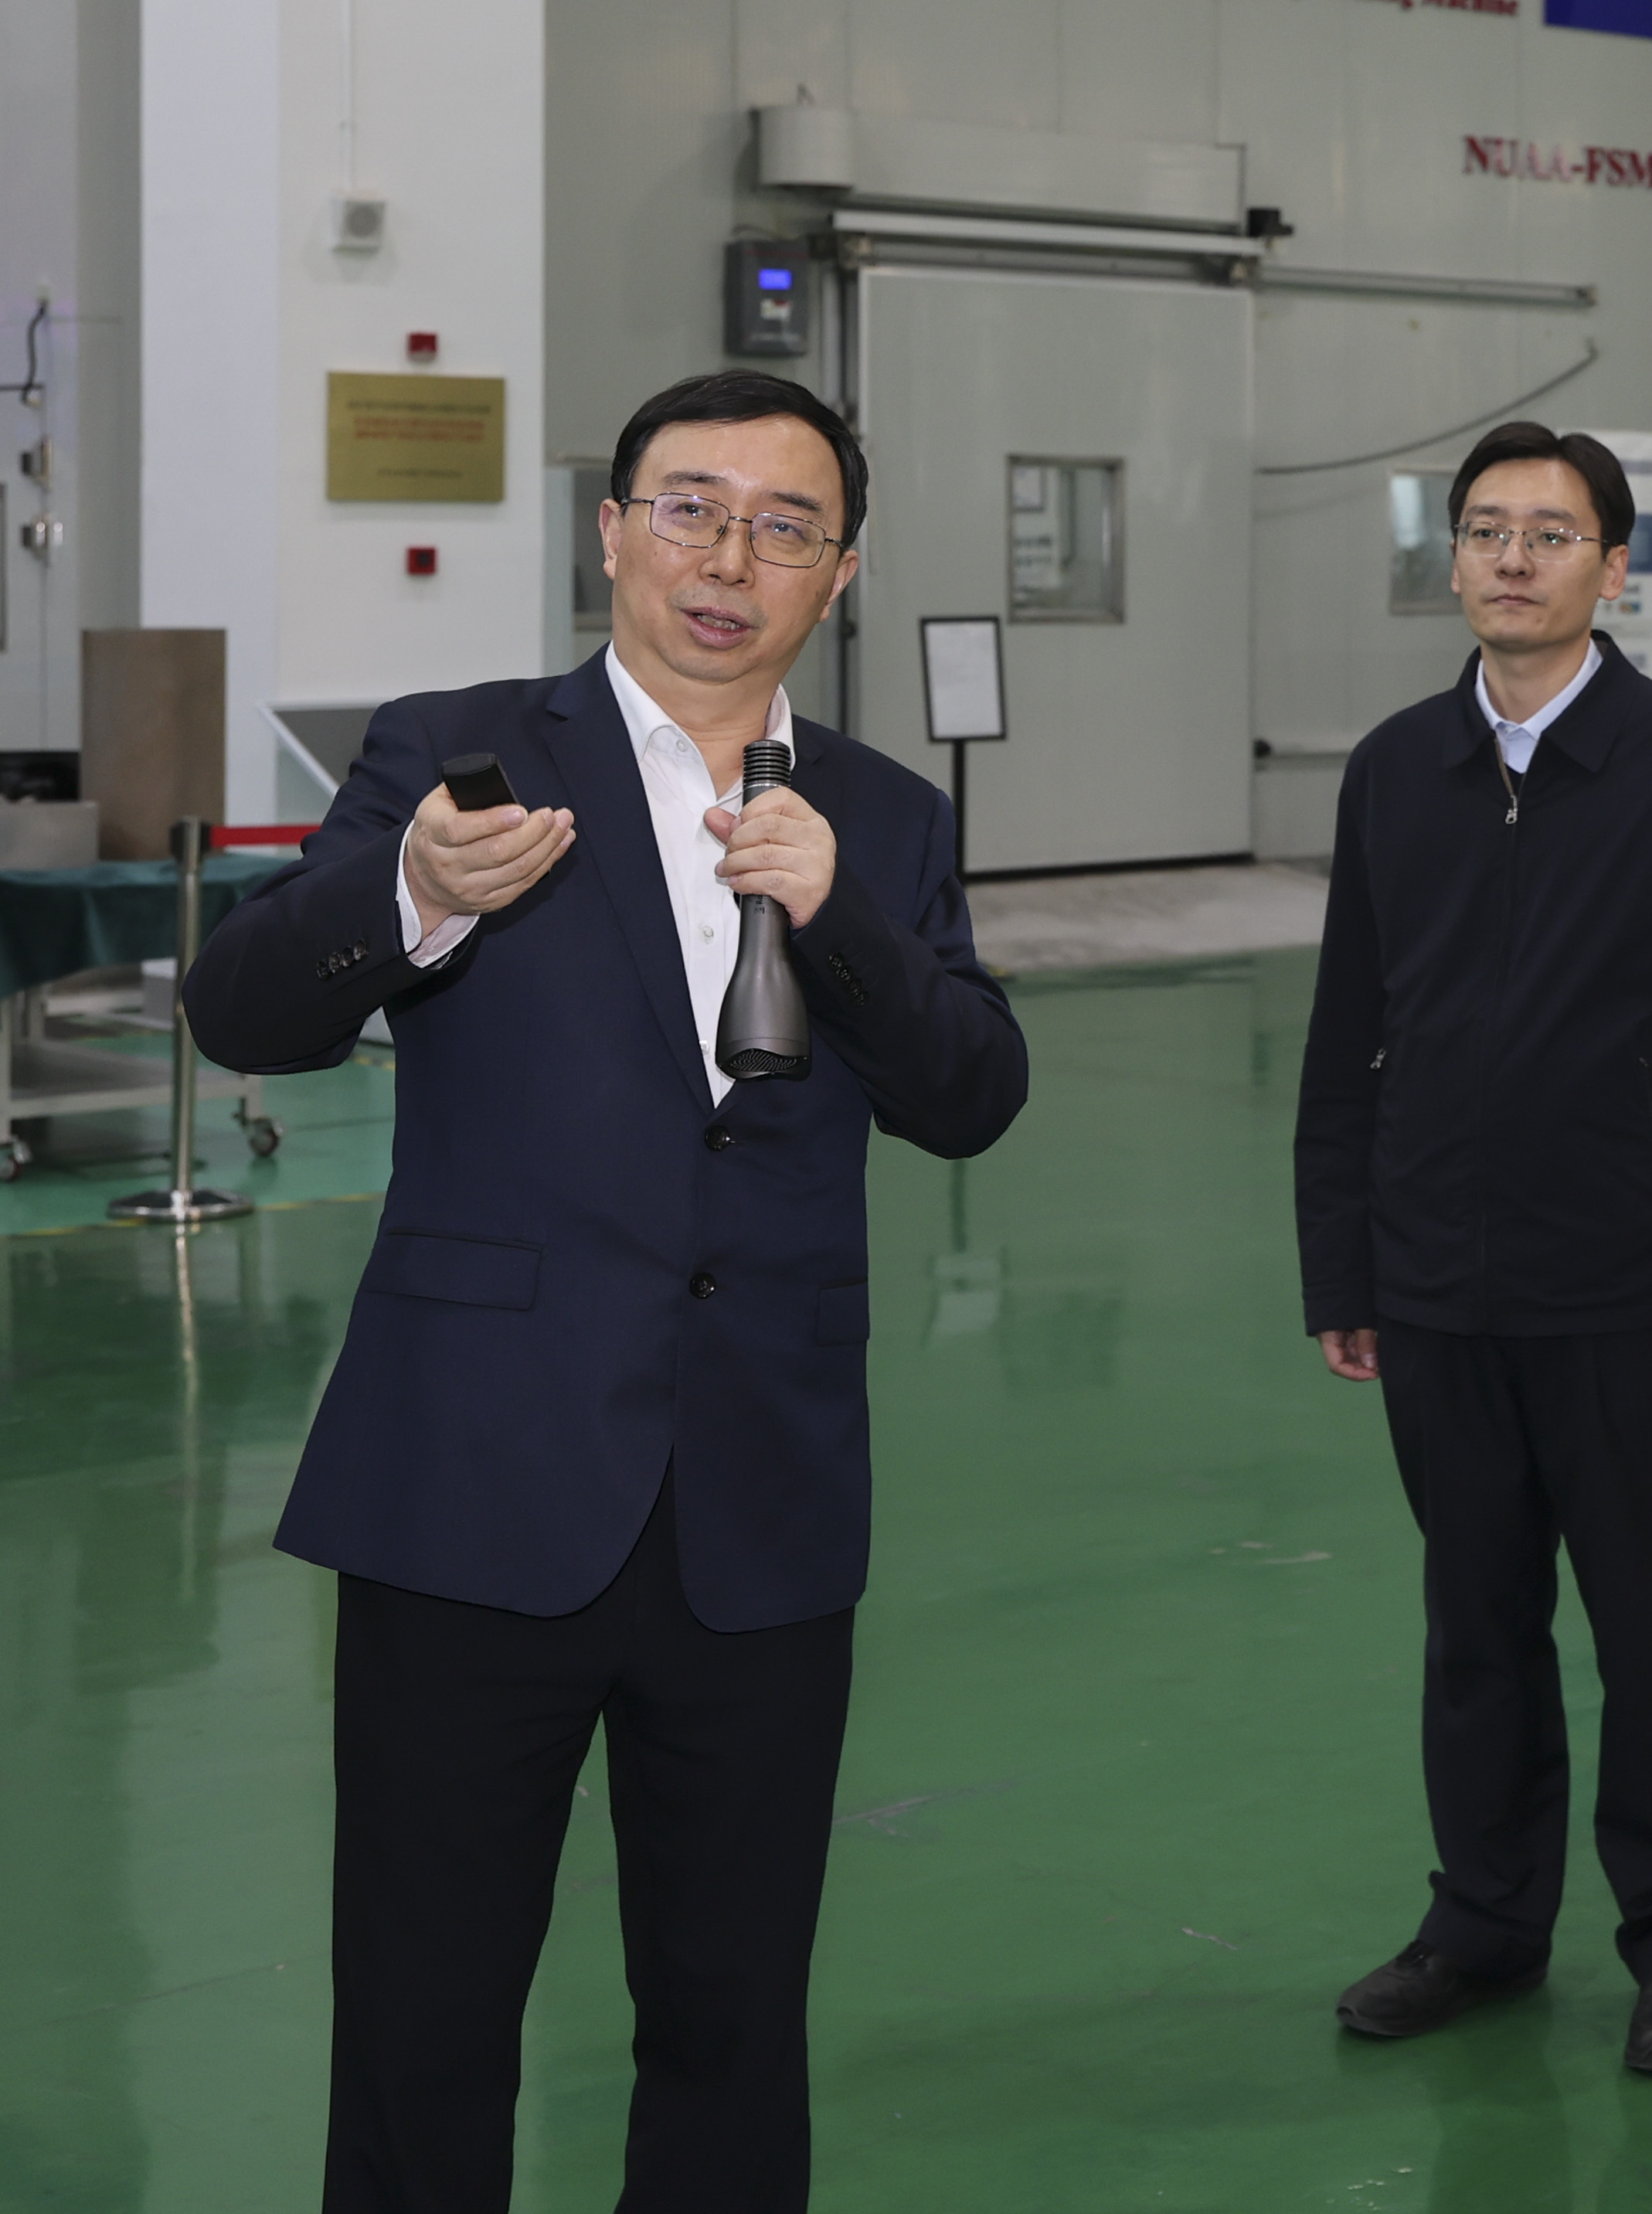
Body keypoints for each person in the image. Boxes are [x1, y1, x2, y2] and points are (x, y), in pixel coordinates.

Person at [184, 369, 1028, 2214]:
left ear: (841, 573)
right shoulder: (459, 753)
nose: (728, 557)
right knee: (421, 2003)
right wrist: (410, 893)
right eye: (690, 507)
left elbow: (971, 1094)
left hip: (760, 1496)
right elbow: (239, 1004)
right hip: (475, 1478)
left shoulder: (883, 816)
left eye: (784, 526)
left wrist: (846, 922)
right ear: (613, 529)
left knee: (732, 2008)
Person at [1294, 419, 1652, 2080]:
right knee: (1474, 1621)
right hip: (1435, 1281)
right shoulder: (1396, 768)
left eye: (1553, 532)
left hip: (1629, 1287)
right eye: (1486, 530)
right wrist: (1343, 1264)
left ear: (1614, 565)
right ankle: (1484, 1922)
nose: (1514, 558)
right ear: (1451, 558)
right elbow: (1346, 1034)